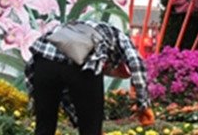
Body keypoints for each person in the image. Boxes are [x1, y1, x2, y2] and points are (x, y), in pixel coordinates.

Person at [24, 20, 155, 135]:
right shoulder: (118, 35)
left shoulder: (75, 26)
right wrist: (144, 105)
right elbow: (136, 63)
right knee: (90, 131)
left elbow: (67, 80)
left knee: (44, 128)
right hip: (77, 61)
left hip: (43, 59)